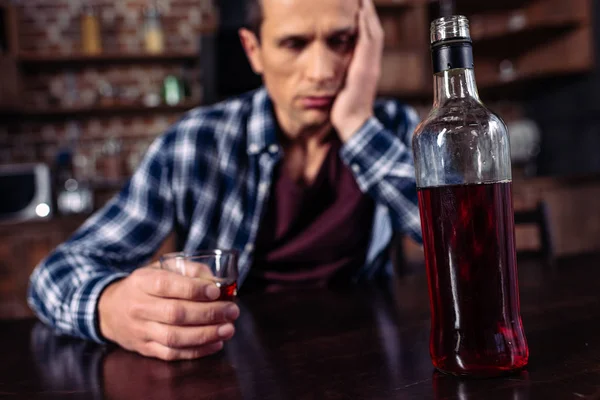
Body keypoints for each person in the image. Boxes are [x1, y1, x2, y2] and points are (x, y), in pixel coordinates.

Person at [28, 0, 422, 361]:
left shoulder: (390, 129)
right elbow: (55, 274)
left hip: (363, 357)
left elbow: (470, 241)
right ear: (254, 51)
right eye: (293, 44)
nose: (322, 72)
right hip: (229, 362)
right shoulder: (197, 141)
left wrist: (357, 126)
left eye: (342, 41)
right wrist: (110, 307)